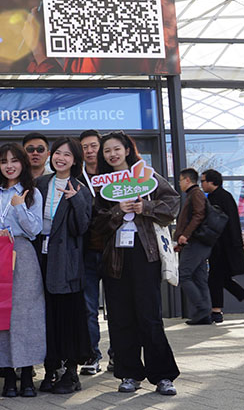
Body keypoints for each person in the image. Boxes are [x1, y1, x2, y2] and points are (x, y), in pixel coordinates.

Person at [92, 131, 179, 396]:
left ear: (127, 150)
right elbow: (95, 224)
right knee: (120, 318)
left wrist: (146, 208)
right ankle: (129, 373)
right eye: (107, 151)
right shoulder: (101, 184)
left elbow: (173, 204)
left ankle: (163, 376)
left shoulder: (147, 176)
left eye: (116, 149)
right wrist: (118, 211)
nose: (112, 154)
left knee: (149, 317)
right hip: (115, 258)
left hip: (145, 254)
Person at [0, 143, 45, 398]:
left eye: (14, 160)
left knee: (27, 314)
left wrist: (19, 206)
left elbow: (34, 230)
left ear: (23, 163)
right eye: (4, 161)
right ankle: (7, 375)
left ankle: (27, 374)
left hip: (23, 252)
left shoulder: (32, 192)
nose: (9, 166)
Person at [33, 138, 93, 395]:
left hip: (66, 262)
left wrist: (75, 200)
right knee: (47, 316)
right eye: (58, 153)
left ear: (75, 160)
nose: (61, 158)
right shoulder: (40, 183)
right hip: (41, 258)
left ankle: (71, 372)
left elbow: (82, 228)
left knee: (67, 317)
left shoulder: (80, 189)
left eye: (67, 155)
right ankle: (51, 368)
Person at [77, 130, 109, 375]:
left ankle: (119, 356)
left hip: (114, 250)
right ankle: (92, 355)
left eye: (93, 146)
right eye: (85, 147)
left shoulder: (115, 175)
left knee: (118, 307)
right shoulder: (75, 179)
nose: (89, 151)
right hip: (86, 251)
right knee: (88, 308)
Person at [201, 169, 244, 322]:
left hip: (223, 246)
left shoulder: (217, 198)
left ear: (212, 182)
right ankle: (218, 310)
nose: (201, 184)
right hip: (225, 245)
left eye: (203, 181)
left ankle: (216, 311)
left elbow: (220, 224)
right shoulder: (223, 196)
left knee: (215, 277)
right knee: (221, 278)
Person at [174, 168, 212, 325]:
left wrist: (185, 235)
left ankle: (202, 308)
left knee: (184, 275)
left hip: (195, 242)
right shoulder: (194, 194)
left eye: (180, 180)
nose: (180, 184)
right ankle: (205, 315)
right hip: (199, 243)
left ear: (187, 180)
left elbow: (199, 215)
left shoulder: (195, 194)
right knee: (199, 278)